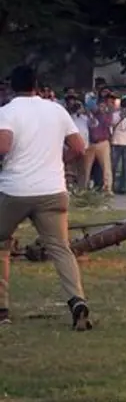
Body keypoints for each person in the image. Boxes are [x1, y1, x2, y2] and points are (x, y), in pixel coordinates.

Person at [0, 66, 93, 330]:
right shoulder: (56, 110)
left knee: (2, 244)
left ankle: (2, 308)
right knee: (60, 248)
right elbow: (78, 147)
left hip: (15, 190)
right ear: (37, 85)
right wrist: (57, 160)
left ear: (10, 86)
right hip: (52, 189)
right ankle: (77, 300)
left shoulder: (7, 112)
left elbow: (3, 146)